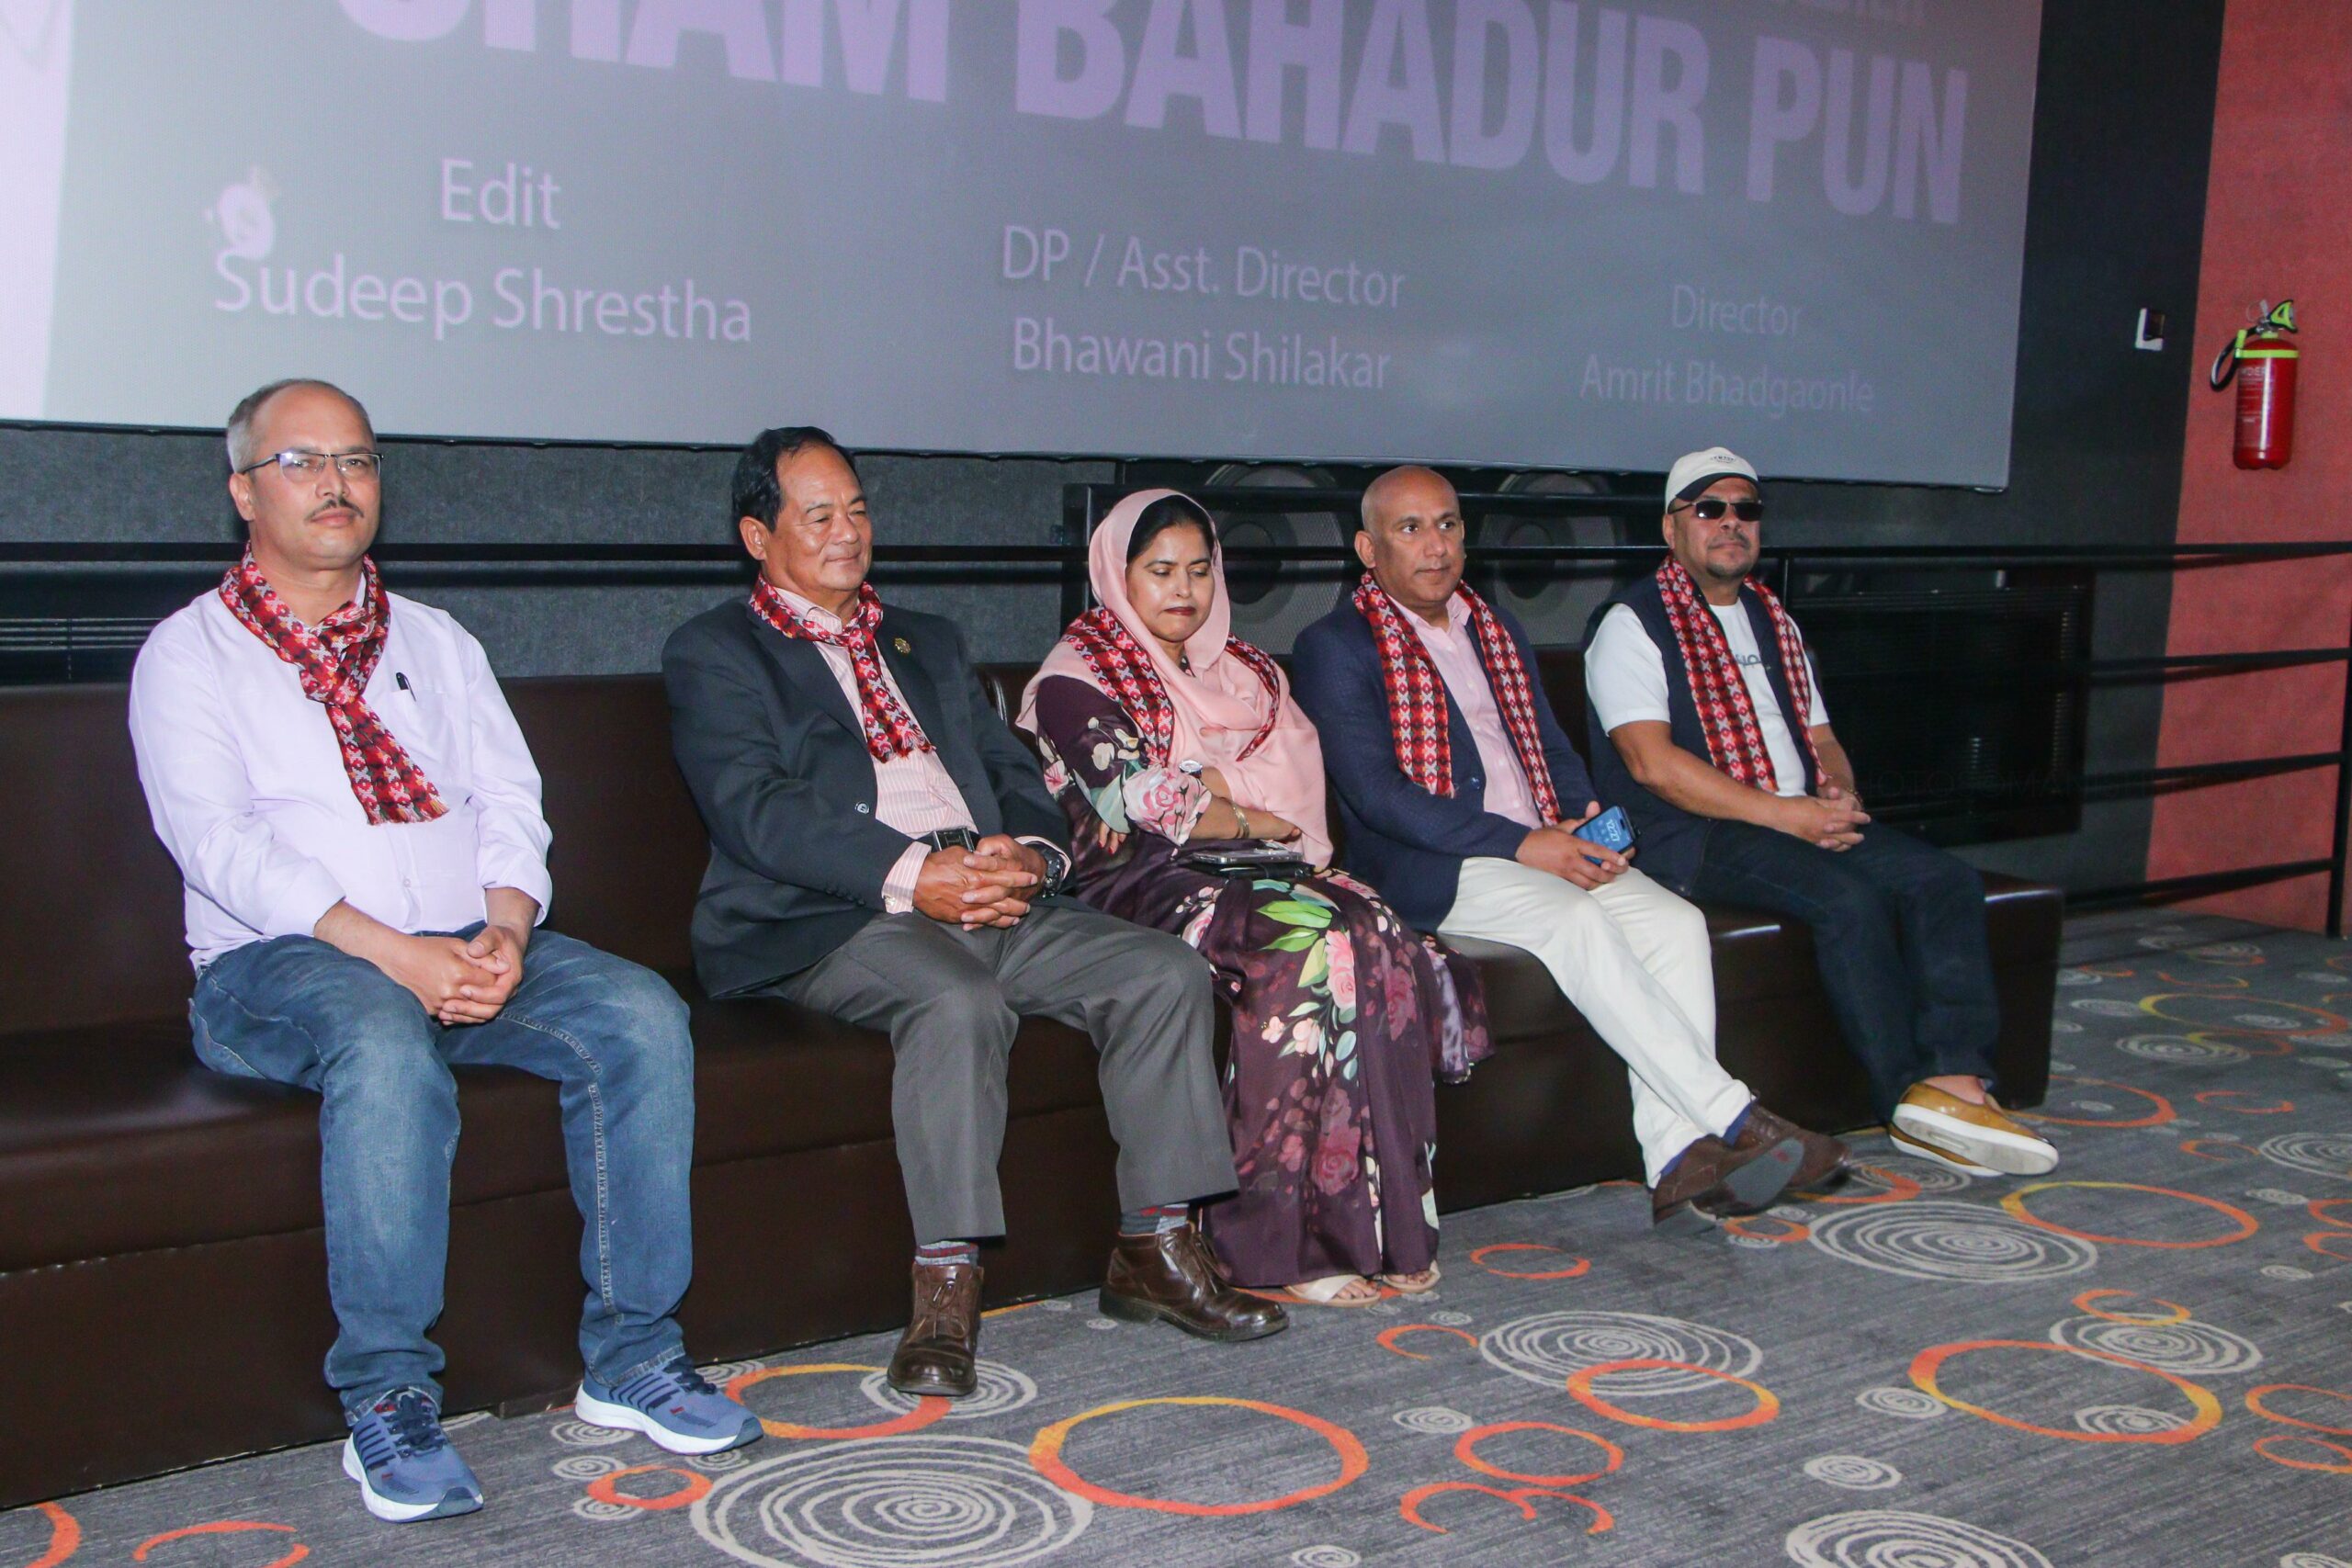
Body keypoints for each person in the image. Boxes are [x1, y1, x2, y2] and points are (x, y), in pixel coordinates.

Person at [128, 379, 758, 1526]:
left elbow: (509, 800)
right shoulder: (189, 654)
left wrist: (506, 927)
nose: (336, 484)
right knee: (381, 1034)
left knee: (636, 1013)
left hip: (463, 944)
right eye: (302, 462)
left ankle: (633, 1356)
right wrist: (395, 957)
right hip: (274, 967)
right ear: (243, 493)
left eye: (357, 460)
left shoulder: (434, 640)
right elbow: (220, 845)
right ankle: (388, 1396)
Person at [662, 430, 1285, 1399]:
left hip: (990, 895)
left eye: (857, 509)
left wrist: (1030, 856)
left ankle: (1154, 1251)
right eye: (818, 516)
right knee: (958, 1001)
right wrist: (918, 874)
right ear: (757, 535)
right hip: (835, 916)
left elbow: (1011, 769)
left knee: (1164, 972)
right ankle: (946, 1288)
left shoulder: (928, 641)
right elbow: (758, 810)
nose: (847, 532)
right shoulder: (715, 651)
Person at [1291, 465, 1849, 1230]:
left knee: (1675, 924)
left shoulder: (1495, 627)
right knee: (1576, 919)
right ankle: (1736, 1116)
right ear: (1367, 547)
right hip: (1436, 866)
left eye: (1448, 525)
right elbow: (1379, 796)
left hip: (1543, 842)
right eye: (1410, 529)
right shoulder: (1333, 645)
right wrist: (1527, 844)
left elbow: (1550, 746)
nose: (1436, 546)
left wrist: (1585, 816)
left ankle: (1677, 1158)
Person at [1015, 490, 1491, 1306]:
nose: (1183, 589)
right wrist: (1242, 808)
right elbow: (1143, 800)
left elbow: (1294, 783)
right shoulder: (1076, 676)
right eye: (1159, 570)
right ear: (1116, 575)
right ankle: (1272, 1244)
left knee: (1377, 928)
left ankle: (1386, 1229)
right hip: (1138, 885)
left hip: (1262, 866)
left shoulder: (1247, 670)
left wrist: (1219, 794)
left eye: (1199, 569)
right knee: (1303, 945)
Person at [1583, 446, 2058, 1177]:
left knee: (1946, 882)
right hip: (1695, 834)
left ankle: (1956, 1080)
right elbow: (1653, 765)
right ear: (1671, 528)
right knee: (1848, 900)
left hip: (1796, 815)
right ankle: (1905, 1097)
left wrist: (1837, 794)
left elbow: (1822, 736)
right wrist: (1788, 816)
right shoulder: (1630, 623)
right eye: (1710, 508)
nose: (1731, 522)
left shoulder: (1775, 619)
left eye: (1746, 509)